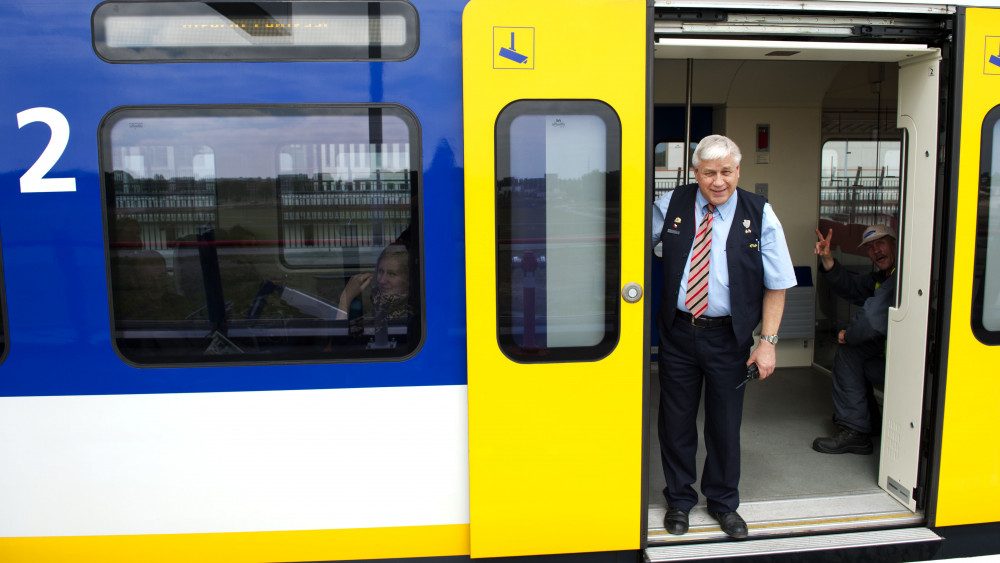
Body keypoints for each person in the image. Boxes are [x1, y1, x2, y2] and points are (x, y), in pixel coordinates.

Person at [652, 135, 796, 539]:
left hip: (728, 339)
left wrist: (767, 342)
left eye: (727, 172)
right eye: (710, 173)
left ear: (738, 171)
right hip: (679, 333)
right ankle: (679, 500)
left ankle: (722, 503)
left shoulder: (760, 213)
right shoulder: (671, 205)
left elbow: (778, 284)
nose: (719, 181)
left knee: (724, 425)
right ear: (695, 172)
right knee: (675, 422)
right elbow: (634, 245)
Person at [811, 224, 897, 455]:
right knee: (856, 356)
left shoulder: (899, 279)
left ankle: (855, 430)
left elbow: (870, 318)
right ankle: (867, 421)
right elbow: (852, 287)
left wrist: (848, 335)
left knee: (850, 355)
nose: (876, 251)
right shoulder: (884, 277)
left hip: (910, 368)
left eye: (880, 243)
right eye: (870, 248)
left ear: (895, 243)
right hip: (893, 359)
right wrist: (828, 259)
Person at [336, 244, 410, 321]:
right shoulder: (379, 306)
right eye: (381, 271)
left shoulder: (407, 316)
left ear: (408, 279)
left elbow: (339, 332)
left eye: (392, 274)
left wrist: (345, 300)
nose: (382, 280)